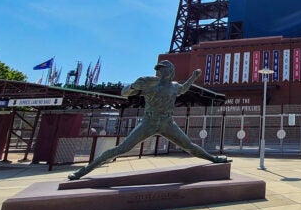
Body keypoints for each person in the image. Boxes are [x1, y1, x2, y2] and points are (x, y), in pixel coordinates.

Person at [68, 61, 230, 180]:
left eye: (163, 69)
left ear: (171, 71)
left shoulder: (174, 86)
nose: (160, 72)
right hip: (149, 122)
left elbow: (183, 89)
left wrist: (193, 77)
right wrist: (132, 86)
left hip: (167, 123)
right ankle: (85, 170)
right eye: (159, 69)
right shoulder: (149, 84)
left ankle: (214, 159)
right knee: (122, 148)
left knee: (189, 146)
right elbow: (124, 93)